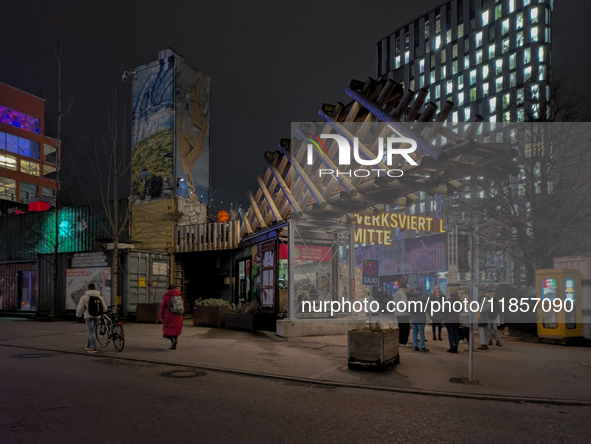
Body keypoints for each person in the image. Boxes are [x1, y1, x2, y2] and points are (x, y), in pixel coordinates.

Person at [76, 283, 108, 354]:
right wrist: (104, 311)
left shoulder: (85, 297)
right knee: (92, 331)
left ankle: (94, 348)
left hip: (88, 316)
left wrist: (78, 315)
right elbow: (104, 307)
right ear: (95, 288)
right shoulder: (99, 296)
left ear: (88, 288)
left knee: (91, 332)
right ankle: (88, 345)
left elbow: (80, 307)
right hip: (97, 316)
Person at [160, 284, 184, 349]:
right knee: (176, 329)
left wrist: (161, 317)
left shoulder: (166, 296)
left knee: (168, 330)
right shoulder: (179, 295)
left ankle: (172, 340)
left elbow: (162, 307)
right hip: (178, 315)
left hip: (169, 314)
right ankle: (174, 342)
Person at [409, 286, 429, 352]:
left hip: (413, 318)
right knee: (421, 333)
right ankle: (422, 347)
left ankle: (415, 346)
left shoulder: (411, 298)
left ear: (415, 290)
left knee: (414, 332)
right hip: (421, 317)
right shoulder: (423, 297)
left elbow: (408, 308)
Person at [477, 286, 491, 350]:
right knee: (485, 329)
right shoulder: (487, 297)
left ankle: (483, 344)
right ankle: (486, 343)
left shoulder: (479, 296)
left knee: (481, 329)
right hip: (486, 314)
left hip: (480, 314)